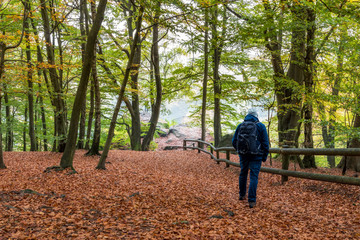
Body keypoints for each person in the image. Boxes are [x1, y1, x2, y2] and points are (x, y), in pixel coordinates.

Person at [232, 108, 269, 208]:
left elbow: (234, 141)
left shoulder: (240, 126)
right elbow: (266, 143)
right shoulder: (261, 126)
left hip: (243, 154)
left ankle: (241, 195)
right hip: (256, 155)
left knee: (243, 173)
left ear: (247, 115)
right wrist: (264, 156)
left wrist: (240, 151)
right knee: (254, 177)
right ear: (256, 116)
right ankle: (251, 200)